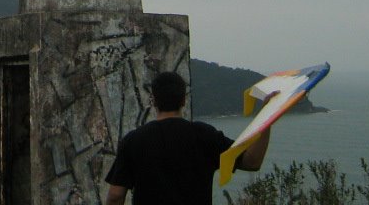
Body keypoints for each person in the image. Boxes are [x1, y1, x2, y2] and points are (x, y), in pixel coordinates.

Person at [104, 71, 270, 205]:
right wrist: (267, 114)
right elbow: (252, 162)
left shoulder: (134, 140)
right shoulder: (204, 135)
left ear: (153, 100)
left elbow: (115, 196)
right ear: (183, 100)